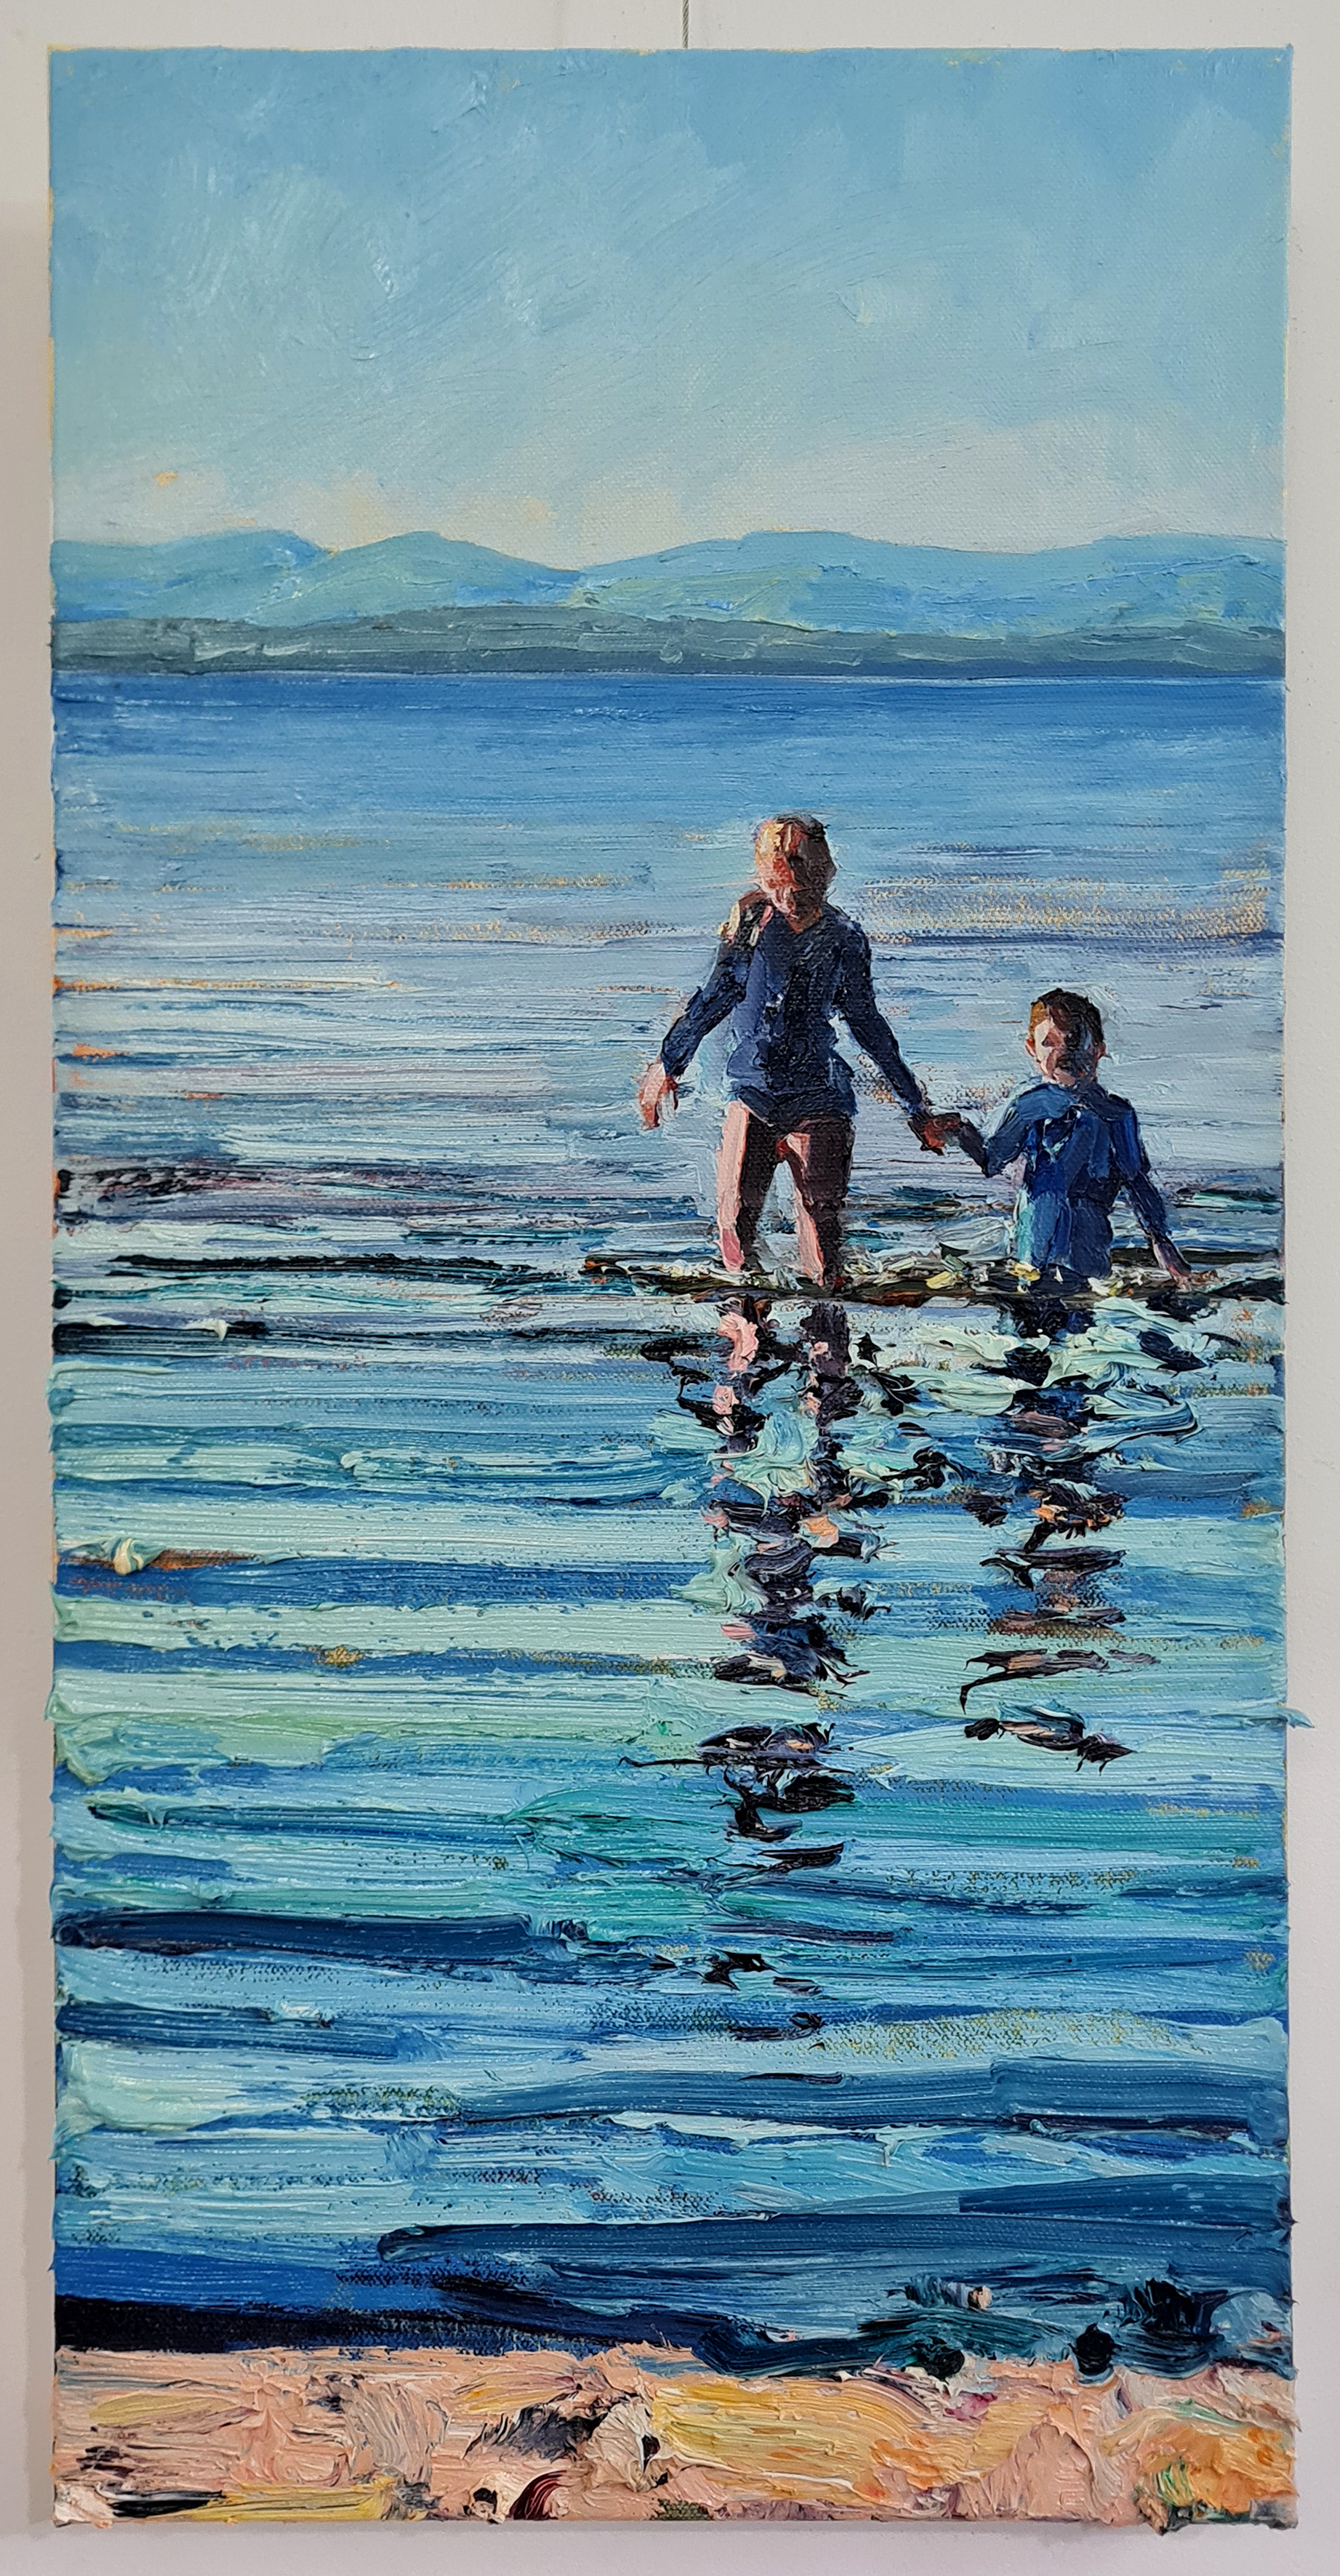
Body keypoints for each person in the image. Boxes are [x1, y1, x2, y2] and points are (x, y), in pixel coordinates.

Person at [636, 814, 950, 1289]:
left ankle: (827, 1320)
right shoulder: (750, 927)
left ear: (826, 874)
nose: (789, 897)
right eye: (776, 884)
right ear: (762, 877)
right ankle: (743, 1319)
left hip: (819, 1097)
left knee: (822, 1238)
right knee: (734, 1226)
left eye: (801, 886)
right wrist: (668, 1063)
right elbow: (717, 995)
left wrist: (915, 1107)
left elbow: (867, 1024)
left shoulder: (844, 938)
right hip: (753, 1093)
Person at [944, 988, 1194, 1290]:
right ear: (1032, 1050)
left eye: (1074, 1041)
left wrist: (1160, 1239)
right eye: (1049, 1043)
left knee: (1085, 1311)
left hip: (1087, 1254)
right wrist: (960, 1131)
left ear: (1098, 1049)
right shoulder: (1030, 1105)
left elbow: (1136, 1180)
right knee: (1030, 1310)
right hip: (1033, 1253)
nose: (1063, 1052)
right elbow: (993, 1160)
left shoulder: (1116, 1114)